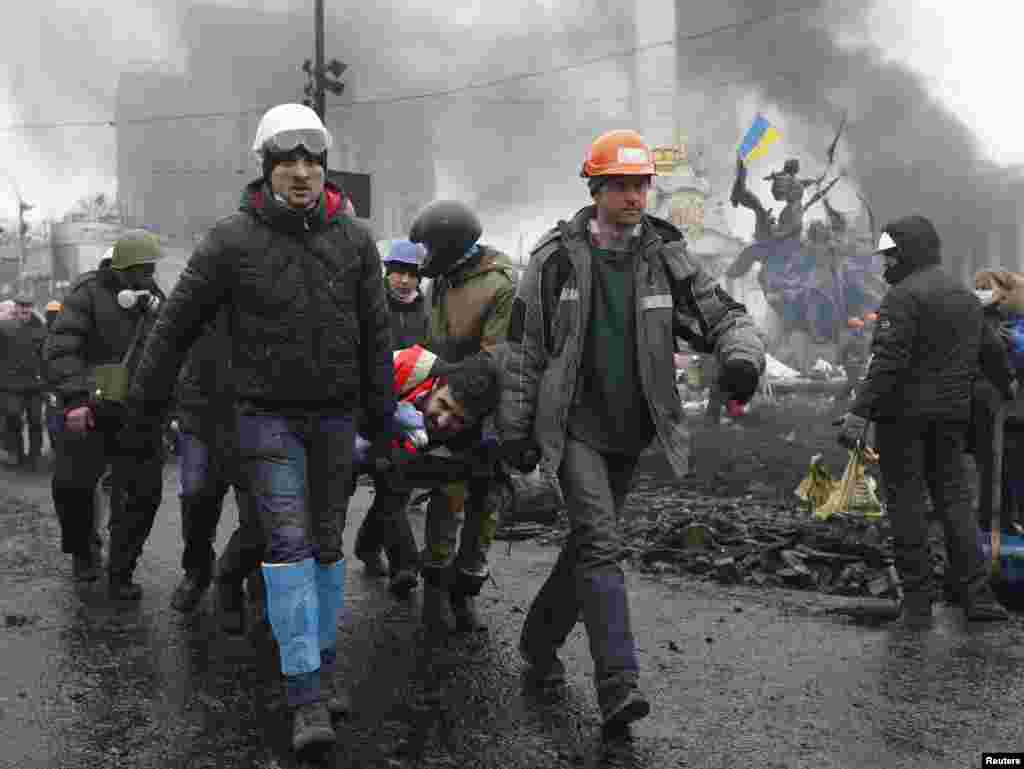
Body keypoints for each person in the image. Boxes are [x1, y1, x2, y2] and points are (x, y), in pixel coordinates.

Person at [122, 103, 394, 754]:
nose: (301, 173)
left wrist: (383, 420)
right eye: (287, 161)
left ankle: (322, 668)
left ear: (324, 168)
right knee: (290, 548)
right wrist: (141, 410)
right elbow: (174, 326)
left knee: (329, 547)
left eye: (312, 161)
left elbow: (376, 335)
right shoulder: (229, 240)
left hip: (335, 417)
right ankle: (305, 695)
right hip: (263, 418)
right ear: (265, 167)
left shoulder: (356, 241)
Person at [498, 129, 766, 734]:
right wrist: (515, 429)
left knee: (591, 545)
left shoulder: (665, 256)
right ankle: (618, 684)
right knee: (600, 542)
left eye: (640, 184)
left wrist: (741, 360)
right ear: (595, 189)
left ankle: (539, 640)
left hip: (632, 430)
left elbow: (722, 315)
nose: (633, 196)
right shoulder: (554, 260)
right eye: (619, 185)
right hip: (573, 430)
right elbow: (521, 349)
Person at [837, 216, 1009, 624]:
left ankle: (917, 603)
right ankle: (977, 598)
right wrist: (1006, 392)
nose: (886, 265)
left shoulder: (904, 297)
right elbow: (993, 354)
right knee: (955, 502)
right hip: (952, 418)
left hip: (903, 420)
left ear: (909, 252)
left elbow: (888, 363)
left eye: (891, 256)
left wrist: (859, 414)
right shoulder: (966, 296)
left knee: (907, 504)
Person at [408, 199, 516, 633]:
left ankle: (465, 591)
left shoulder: (501, 285)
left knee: (484, 505)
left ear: (452, 246)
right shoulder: (446, 281)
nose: (427, 258)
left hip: (485, 411)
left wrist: (458, 391)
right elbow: (435, 343)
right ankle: (434, 586)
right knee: (445, 498)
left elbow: (498, 358)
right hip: (447, 405)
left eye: (433, 247)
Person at [43, 231, 167, 589]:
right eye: (140, 270)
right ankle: (84, 552)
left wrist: (171, 408)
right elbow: (62, 348)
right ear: (121, 269)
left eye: (150, 269)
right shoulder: (86, 295)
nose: (147, 276)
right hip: (90, 408)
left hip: (139, 414)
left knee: (142, 495)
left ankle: (122, 568)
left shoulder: (156, 301)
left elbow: (171, 357)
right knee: (72, 487)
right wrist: (75, 399)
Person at [167, 309, 253, 617]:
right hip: (200, 418)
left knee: (257, 510)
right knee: (196, 499)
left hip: (252, 418)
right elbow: (168, 351)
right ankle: (197, 572)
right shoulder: (201, 294)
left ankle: (241, 574)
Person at [353, 238, 429, 581]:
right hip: (366, 407)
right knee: (369, 480)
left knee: (393, 484)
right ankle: (399, 560)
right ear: (386, 273)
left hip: (407, 409)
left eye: (411, 274)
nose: (403, 280)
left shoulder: (427, 313)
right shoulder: (369, 306)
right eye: (397, 272)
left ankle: (389, 557)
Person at [0, 295, 46, 467]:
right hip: (10, 384)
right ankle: (17, 453)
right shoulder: (4, 327)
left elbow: (46, 356)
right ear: (16, 307)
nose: (25, 309)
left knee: (35, 420)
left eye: (28, 306)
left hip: (35, 384)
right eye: (22, 305)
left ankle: (34, 456)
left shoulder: (40, 328)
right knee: (13, 418)